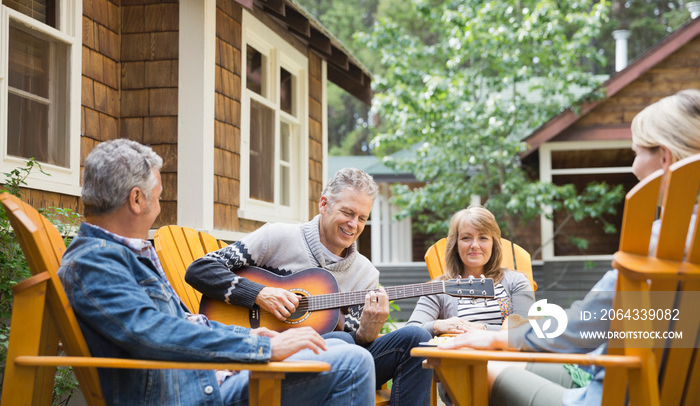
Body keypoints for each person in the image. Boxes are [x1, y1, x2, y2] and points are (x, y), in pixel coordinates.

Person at [58, 139, 376, 406]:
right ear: (137, 199)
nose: (159, 206)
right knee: (354, 364)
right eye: (158, 197)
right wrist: (262, 348)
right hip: (196, 391)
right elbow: (151, 333)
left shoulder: (124, 253)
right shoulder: (95, 261)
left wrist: (249, 334)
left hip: (212, 373)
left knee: (336, 346)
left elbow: (181, 324)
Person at [438, 88, 700, 406]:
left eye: (637, 153)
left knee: (476, 363)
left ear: (665, 157)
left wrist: (494, 337)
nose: (633, 167)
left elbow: (583, 326)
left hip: (617, 394)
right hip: (662, 388)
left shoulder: (664, 243)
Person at [186, 167, 433, 405]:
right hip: (271, 356)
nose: (353, 224)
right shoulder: (277, 237)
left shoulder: (365, 273)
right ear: (324, 204)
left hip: (340, 363)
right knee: (340, 341)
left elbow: (358, 344)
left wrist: (367, 330)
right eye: (347, 212)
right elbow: (200, 269)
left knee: (417, 340)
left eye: (362, 218)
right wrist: (260, 293)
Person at [406, 206, 535, 335]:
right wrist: (437, 325)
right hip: (457, 354)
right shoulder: (439, 288)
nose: (474, 245)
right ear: (456, 245)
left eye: (483, 238)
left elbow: (527, 329)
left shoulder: (515, 281)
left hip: (505, 354)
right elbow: (411, 331)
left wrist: (482, 328)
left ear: (493, 244)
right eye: (466, 238)